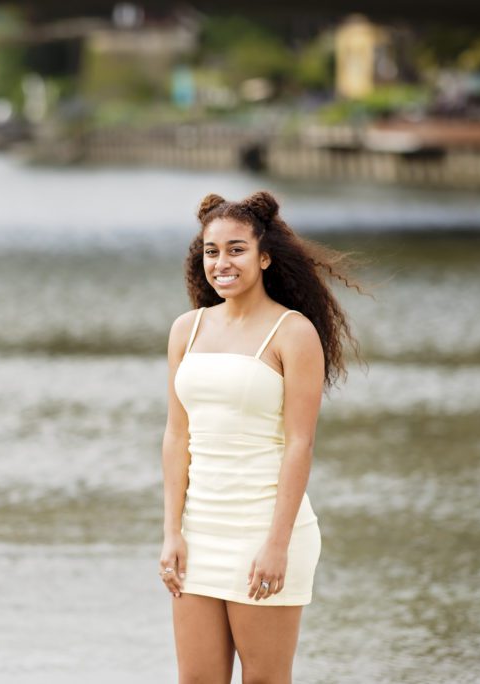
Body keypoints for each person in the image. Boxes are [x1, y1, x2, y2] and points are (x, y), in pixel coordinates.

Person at [160, 190, 365, 683]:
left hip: (266, 530)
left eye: (237, 249)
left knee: (265, 680)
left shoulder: (293, 334)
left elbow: (300, 444)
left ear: (265, 256)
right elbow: (176, 435)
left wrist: (276, 544)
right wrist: (172, 531)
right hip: (200, 532)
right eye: (212, 251)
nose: (222, 262)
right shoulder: (186, 330)